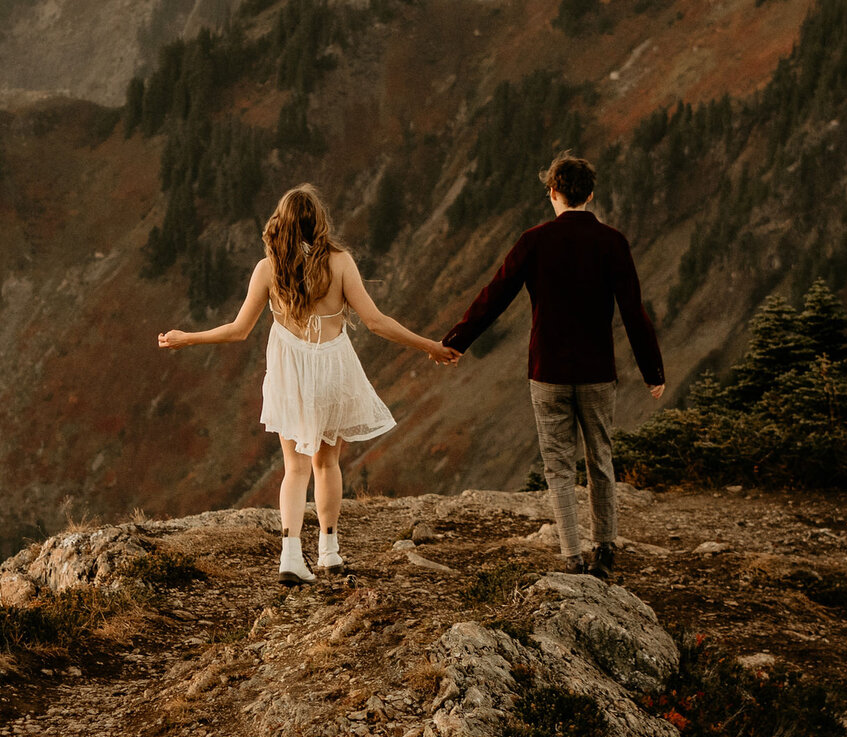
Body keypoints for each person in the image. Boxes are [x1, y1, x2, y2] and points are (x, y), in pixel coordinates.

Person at [159, 184, 459, 584]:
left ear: (280, 223)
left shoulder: (268, 269)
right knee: (327, 462)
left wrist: (187, 338)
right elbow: (376, 321)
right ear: (318, 222)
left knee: (295, 468)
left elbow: (237, 331)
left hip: (290, 373)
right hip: (333, 369)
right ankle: (329, 551)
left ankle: (290, 556)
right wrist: (430, 346)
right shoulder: (340, 263)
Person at [441, 151, 663, 576]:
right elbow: (634, 311)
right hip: (598, 371)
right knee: (601, 458)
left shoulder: (535, 240)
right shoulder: (612, 242)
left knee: (559, 465)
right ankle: (606, 549)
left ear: (553, 192)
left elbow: (495, 295)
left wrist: (457, 341)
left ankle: (572, 555)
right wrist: (653, 371)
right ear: (590, 194)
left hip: (548, 372)